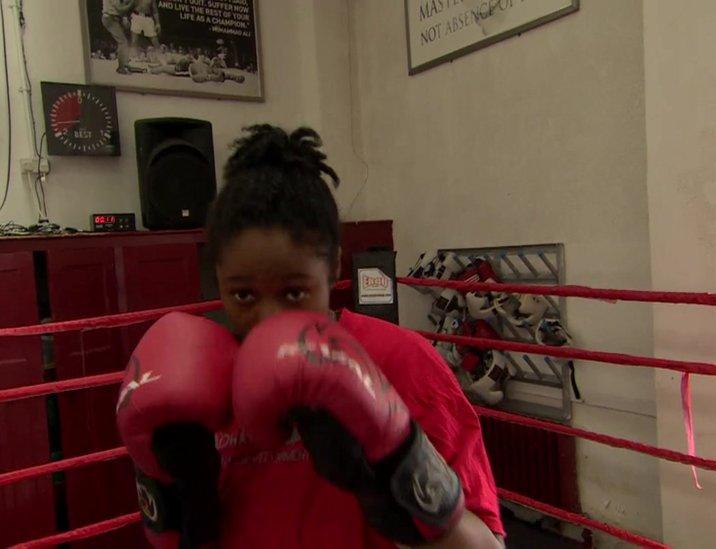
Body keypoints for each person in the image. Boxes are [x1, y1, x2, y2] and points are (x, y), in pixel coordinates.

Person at [117, 125, 505, 548]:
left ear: (334, 267)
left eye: (294, 291)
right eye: (243, 294)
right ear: (218, 282)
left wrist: (398, 464)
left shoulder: (400, 360)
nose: (268, 318)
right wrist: (187, 499)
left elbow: (487, 546)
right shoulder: (198, 381)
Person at [101, 0, 135, 74]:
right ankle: (121, 68)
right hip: (109, 18)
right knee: (122, 42)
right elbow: (120, 9)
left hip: (114, 18)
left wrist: (124, 17)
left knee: (126, 40)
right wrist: (132, 3)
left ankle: (125, 63)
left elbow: (121, 5)